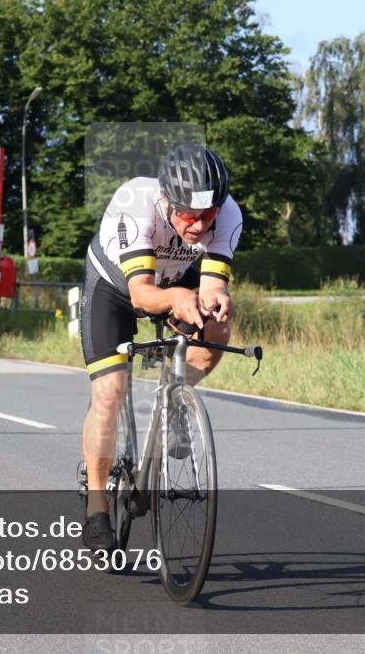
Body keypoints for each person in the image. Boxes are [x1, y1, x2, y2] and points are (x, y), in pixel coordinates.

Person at [78, 144, 243, 551]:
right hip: (116, 287)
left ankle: (174, 401)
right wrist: (175, 299)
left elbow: (210, 285)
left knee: (218, 329)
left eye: (208, 217)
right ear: (167, 200)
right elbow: (141, 295)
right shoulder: (135, 203)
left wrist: (214, 299)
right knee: (110, 394)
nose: (199, 226)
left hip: (172, 283)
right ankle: (97, 508)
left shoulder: (229, 214)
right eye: (189, 216)